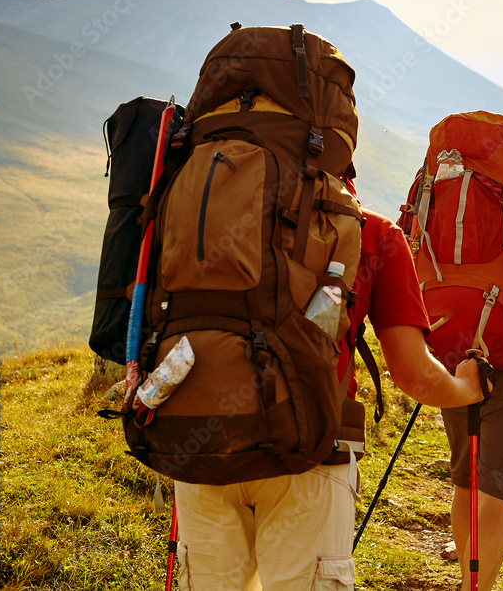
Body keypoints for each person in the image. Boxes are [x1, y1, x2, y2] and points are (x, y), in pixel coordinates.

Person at [173, 197, 486, 591]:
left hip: (201, 446)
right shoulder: (371, 231)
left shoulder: (201, 212)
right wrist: (466, 388)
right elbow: (414, 375)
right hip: (315, 450)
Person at [441, 353, 503, 591]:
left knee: (466, 481)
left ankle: (470, 582)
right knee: (496, 490)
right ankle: (473, 587)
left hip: (457, 362)